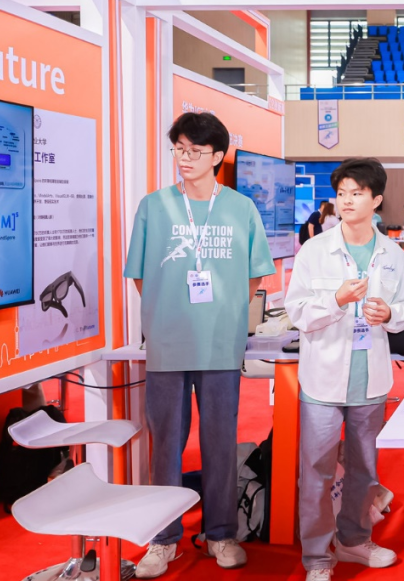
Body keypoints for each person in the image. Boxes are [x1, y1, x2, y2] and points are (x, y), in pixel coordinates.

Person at [124, 112, 275, 578]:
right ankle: (163, 539)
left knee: (220, 442)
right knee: (165, 446)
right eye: (179, 149)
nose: (184, 158)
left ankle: (221, 533)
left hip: (219, 345)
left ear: (217, 156)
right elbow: (141, 276)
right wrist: (169, 312)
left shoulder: (240, 208)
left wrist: (222, 314)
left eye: (195, 150)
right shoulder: (154, 206)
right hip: (167, 343)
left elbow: (254, 275)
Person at [285, 158, 404, 580]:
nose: (346, 201)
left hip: (370, 379)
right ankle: (317, 557)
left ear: (376, 200)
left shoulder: (392, 253)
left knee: (365, 469)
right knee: (316, 471)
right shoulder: (315, 250)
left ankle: (355, 540)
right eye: (341, 193)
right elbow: (296, 310)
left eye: (356, 193)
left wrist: (390, 314)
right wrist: (336, 300)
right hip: (322, 379)